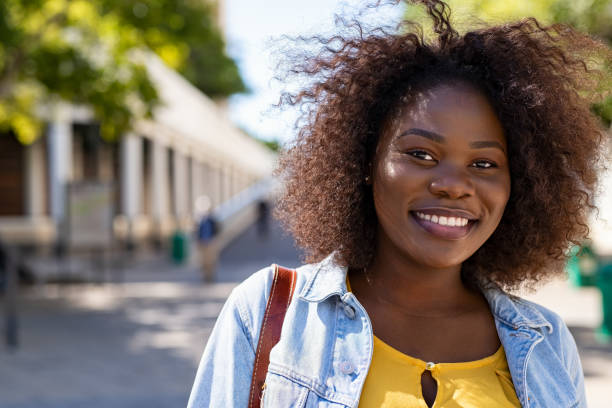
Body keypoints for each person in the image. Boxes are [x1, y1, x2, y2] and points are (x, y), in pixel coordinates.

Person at [188, 1, 610, 406]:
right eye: (421, 154)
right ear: (366, 161)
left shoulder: (547, 342)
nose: (453, 186)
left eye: (484, 163)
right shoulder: (269, 314)